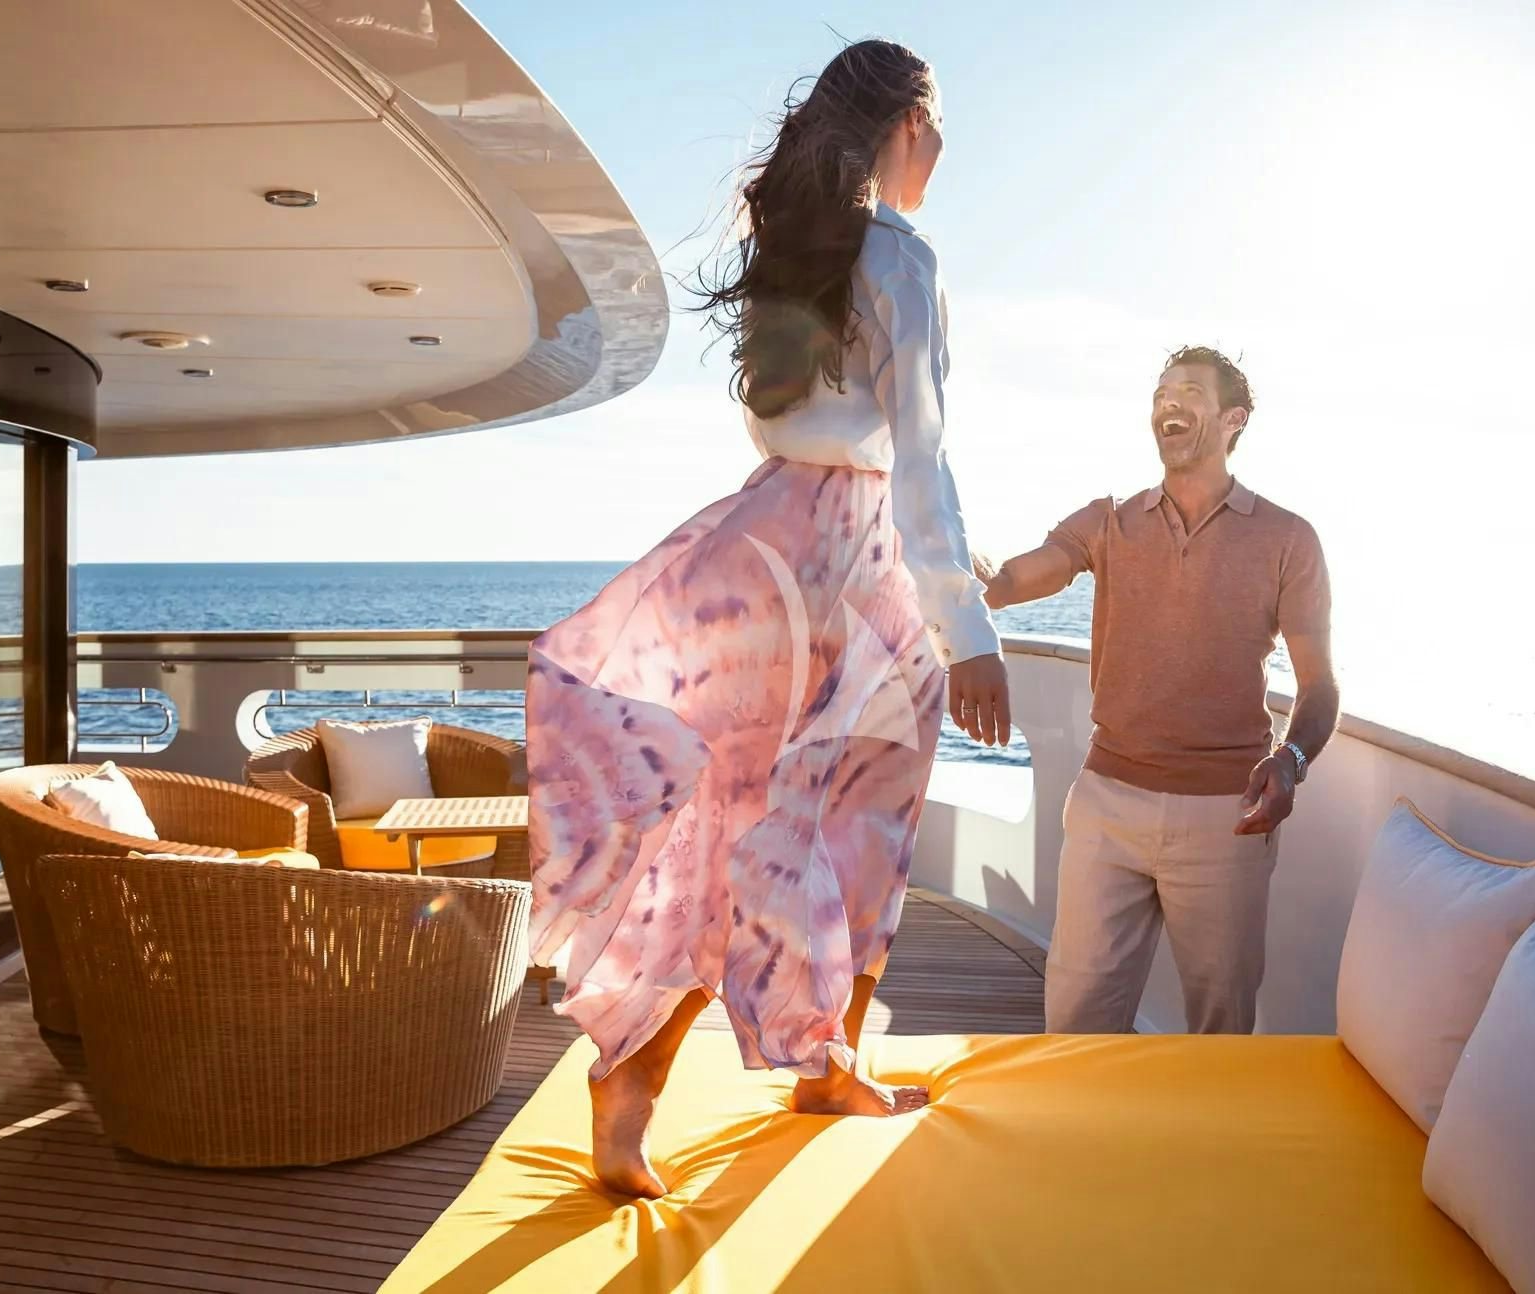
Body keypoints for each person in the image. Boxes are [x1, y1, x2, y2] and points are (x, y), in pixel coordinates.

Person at [526, 39, 1010, 1199]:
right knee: (861, 819)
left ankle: (657, 1077)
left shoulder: (796, 251)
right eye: (934, 124)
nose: (939, 149)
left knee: (741, 814)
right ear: (902, 125)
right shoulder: (899, 257)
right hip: (849, 559)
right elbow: (921, 463)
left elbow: (800, 425)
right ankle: (810, 1061)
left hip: (768, 543)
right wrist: (975, 629)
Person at [980, 346, 1338, 1036]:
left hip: (1227, 817)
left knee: (1220, 1031)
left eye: (1189, 391)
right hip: (1107, 807)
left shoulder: (1289, 539)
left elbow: (1320, 683)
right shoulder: (1110, 521)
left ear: (1234, 419)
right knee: (1075, 1025)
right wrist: (970, 576)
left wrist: (1291, 762)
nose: (1167, 403)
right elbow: (1017, 581)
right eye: (1160, 392)